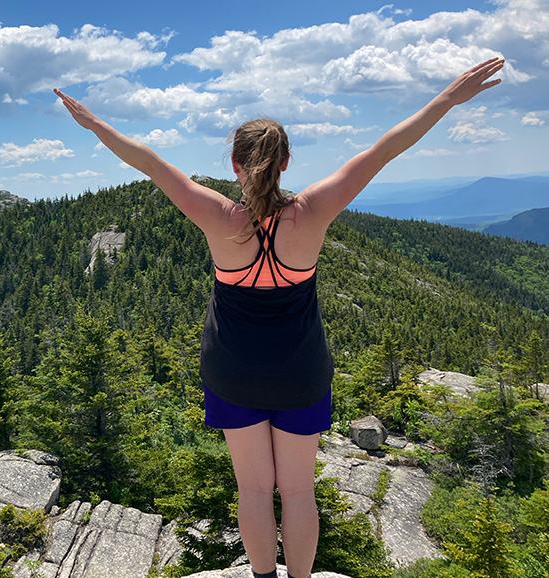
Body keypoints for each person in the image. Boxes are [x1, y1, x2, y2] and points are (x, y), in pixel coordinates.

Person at [55, 56, 504, 578]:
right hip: (301, 373)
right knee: (297, 490)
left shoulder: (217, 217)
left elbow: (150, 162)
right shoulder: (312, 212)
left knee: (252, 488)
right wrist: (447, 98)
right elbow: (384, 149)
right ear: (286, 162)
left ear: (236, 167)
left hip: (233, 372)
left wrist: (93, 123)